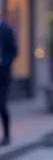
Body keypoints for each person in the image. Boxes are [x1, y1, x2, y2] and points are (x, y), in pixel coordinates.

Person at [0, 15, 18, 146]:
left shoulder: (7, 30)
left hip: (3, 75)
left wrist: (4, 62)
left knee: (1, 105)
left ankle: (7, 134)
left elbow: (14, 51)